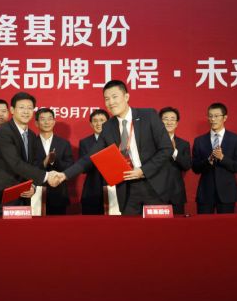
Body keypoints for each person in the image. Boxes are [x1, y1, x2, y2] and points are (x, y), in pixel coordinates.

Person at [54, 80, 173, 215]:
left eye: (115, 97)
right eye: (107, 99)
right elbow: (90, 157)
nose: (111, 102)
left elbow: (166, 149)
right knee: (130, 227)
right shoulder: (108, 127)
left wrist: (143, 170)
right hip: (127, 189)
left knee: (157, 228)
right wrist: (64, 175)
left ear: (126, 97)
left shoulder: (148, 115)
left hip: (153, 185)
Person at [0, 92, 57, 216]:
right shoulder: (4, 132)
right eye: (22, 107)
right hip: (1, 199)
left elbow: (33, 164)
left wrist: (33, 186)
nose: (26, 111)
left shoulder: (31, 135)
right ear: (12, 110)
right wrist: (46, 176)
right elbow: (15, 163)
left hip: (22, 198)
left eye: (29, 108)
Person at [192, 103, 237, 214]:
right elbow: (195, 168)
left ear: (225, 118)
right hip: (205, 193)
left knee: (226, 225)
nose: (213, 119)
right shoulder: (199, 140)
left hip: (227, 193)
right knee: (203, 224)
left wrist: (222, 158)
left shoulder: (236, 139)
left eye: (216, 116)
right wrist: (208, 161)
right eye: (210, 116)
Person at [33, 108, 74, 215]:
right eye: (43, 119)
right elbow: (26, 166)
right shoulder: (30, 143)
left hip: (58, 194)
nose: (47, 122)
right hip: (35, 193)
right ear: (36, 123)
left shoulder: (64, 143)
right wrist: (44, 162)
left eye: (50, 119)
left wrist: (53, 161)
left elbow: (70, 167)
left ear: (54, 122)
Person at [159, 107, 191, 215]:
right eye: (165, 119)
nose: (169, 122)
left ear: (177, 123)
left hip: (176, 194)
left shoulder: (184, 144)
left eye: (172, 119)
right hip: (156, 194)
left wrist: (174, 152)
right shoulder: (151, 143)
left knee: (177, 224)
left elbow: (187, 166)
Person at [78, 109, 109, 215]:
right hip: (92, 190)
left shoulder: (117, 139)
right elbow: (83, 168)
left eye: (102, 120)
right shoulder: (85, 142)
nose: (98, 123)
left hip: (114, 189)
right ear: (91, 124)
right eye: (95, 121)